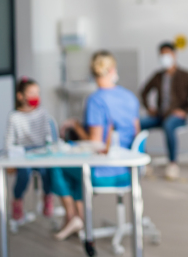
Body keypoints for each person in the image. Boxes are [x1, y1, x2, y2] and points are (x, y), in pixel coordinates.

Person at [51, 50, 140, 240]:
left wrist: (75, 125)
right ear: (113, 70)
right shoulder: (129, 96)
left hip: (105, 173)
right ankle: (79, 218)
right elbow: (136, 133)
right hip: (130, 170)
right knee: (75, 170)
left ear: (93, 72)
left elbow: (96, 142)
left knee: (58, 165)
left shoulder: (96, 100)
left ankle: (73, 216)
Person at [141, 42, 188, 179]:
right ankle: (144, 162)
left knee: (169, 125)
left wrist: (185, 111)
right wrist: (149, 108)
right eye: (162, 55)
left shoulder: (186, 75)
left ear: (175, 55)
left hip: (176, 116)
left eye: (167, 54)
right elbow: (144, 92)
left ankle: (172, 164)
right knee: (138, 124)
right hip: (159, 115)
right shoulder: (158, 75)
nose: (164, 57)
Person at [5, 77, 53, 222]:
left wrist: (49, 148)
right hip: (23, 153)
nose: (35, 96)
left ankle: (47, 198)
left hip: (41, 151)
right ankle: (17, 201)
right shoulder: (14, 117)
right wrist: (10, 161)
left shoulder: (42, 113)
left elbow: (48, 135)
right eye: (31, 93)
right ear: (20, 96)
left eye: (37, 93)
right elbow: (9, 141)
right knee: (24, 174)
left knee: (48, 171)